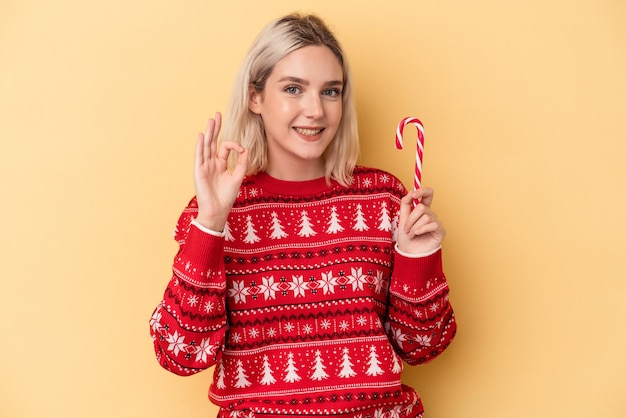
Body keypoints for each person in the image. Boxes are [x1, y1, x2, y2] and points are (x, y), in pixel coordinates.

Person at [149, 12, 456, 418]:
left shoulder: (384, 198)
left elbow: (422, 347)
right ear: (255, 97)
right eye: (294, 88)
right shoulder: (220, 208)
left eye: (331, 92)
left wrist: (419, 259)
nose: (316, 110)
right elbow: (179, 354)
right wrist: (211, 223)